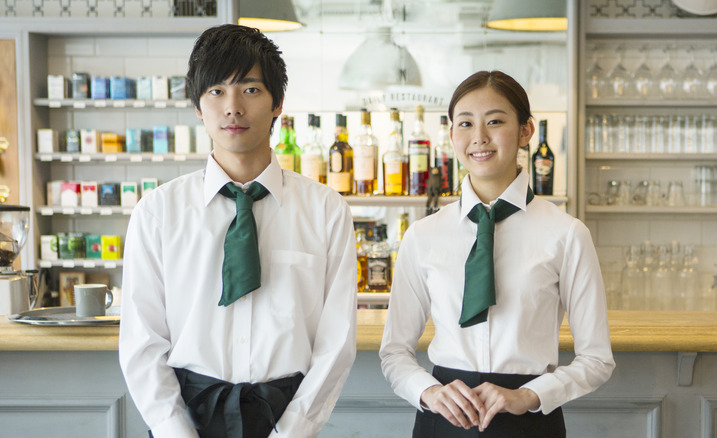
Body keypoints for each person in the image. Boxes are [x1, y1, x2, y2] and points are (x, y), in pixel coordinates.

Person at [119, 24, 357, 438]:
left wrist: (293, 431)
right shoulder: (158, 212)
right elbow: (142, 340)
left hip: (289, 416)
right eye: (216, 91)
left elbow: (336, 342)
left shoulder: (326, 211)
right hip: (186, 415)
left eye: (250, 89)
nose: (232, 107)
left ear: (278, 102)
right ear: (197, 105)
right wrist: (175, 430)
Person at [379, 70, 615, 437]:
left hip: (530, 421)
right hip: (443, 420)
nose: (479, 138)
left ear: (525, 131)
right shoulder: (423, 236)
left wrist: (528, 395)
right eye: (465, 124)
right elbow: (394, 352)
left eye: (495, 121)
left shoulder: (567, 235)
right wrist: (428, 391)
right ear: (452, 134)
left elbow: (597, 359)